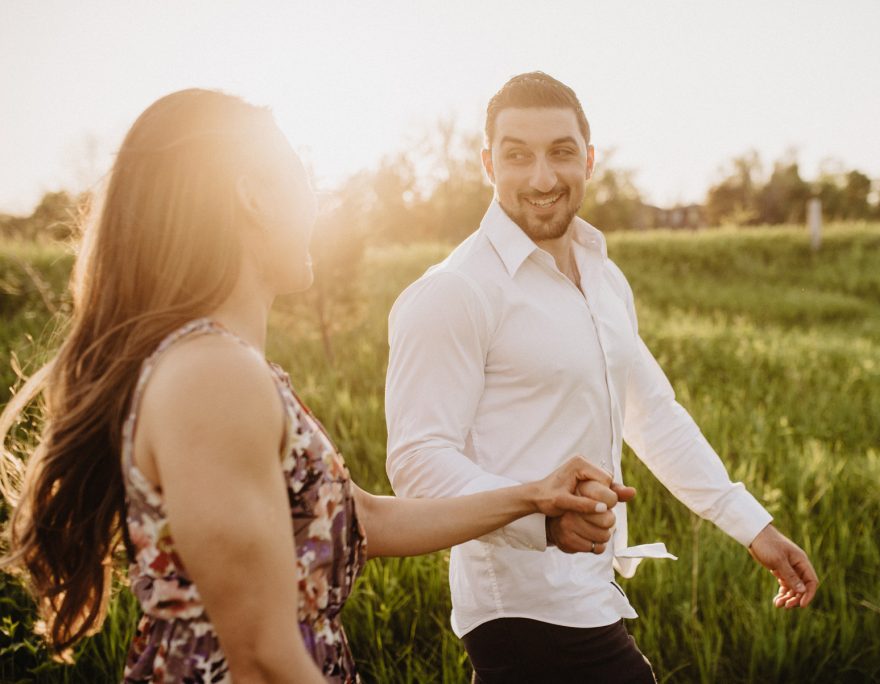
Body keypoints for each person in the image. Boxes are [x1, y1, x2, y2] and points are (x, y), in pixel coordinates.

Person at [0, 88, 631, 684]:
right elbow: (263, 660)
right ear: (253, 196)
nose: (317, 200)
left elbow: (364, 518)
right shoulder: (213, 377)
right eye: (303, 172)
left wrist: (534, 500)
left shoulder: (228, 369)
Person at [385, 71, 820, 683]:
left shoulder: (603, 278)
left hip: (590, 596)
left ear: (588, 159)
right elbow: (417, 462)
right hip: (519, 614)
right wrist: (541, 519)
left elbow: (652, 412)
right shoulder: (455, 291)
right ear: (488, 164)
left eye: (561, 152)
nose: (542, 177)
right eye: (517, 156)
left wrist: (753, 527)